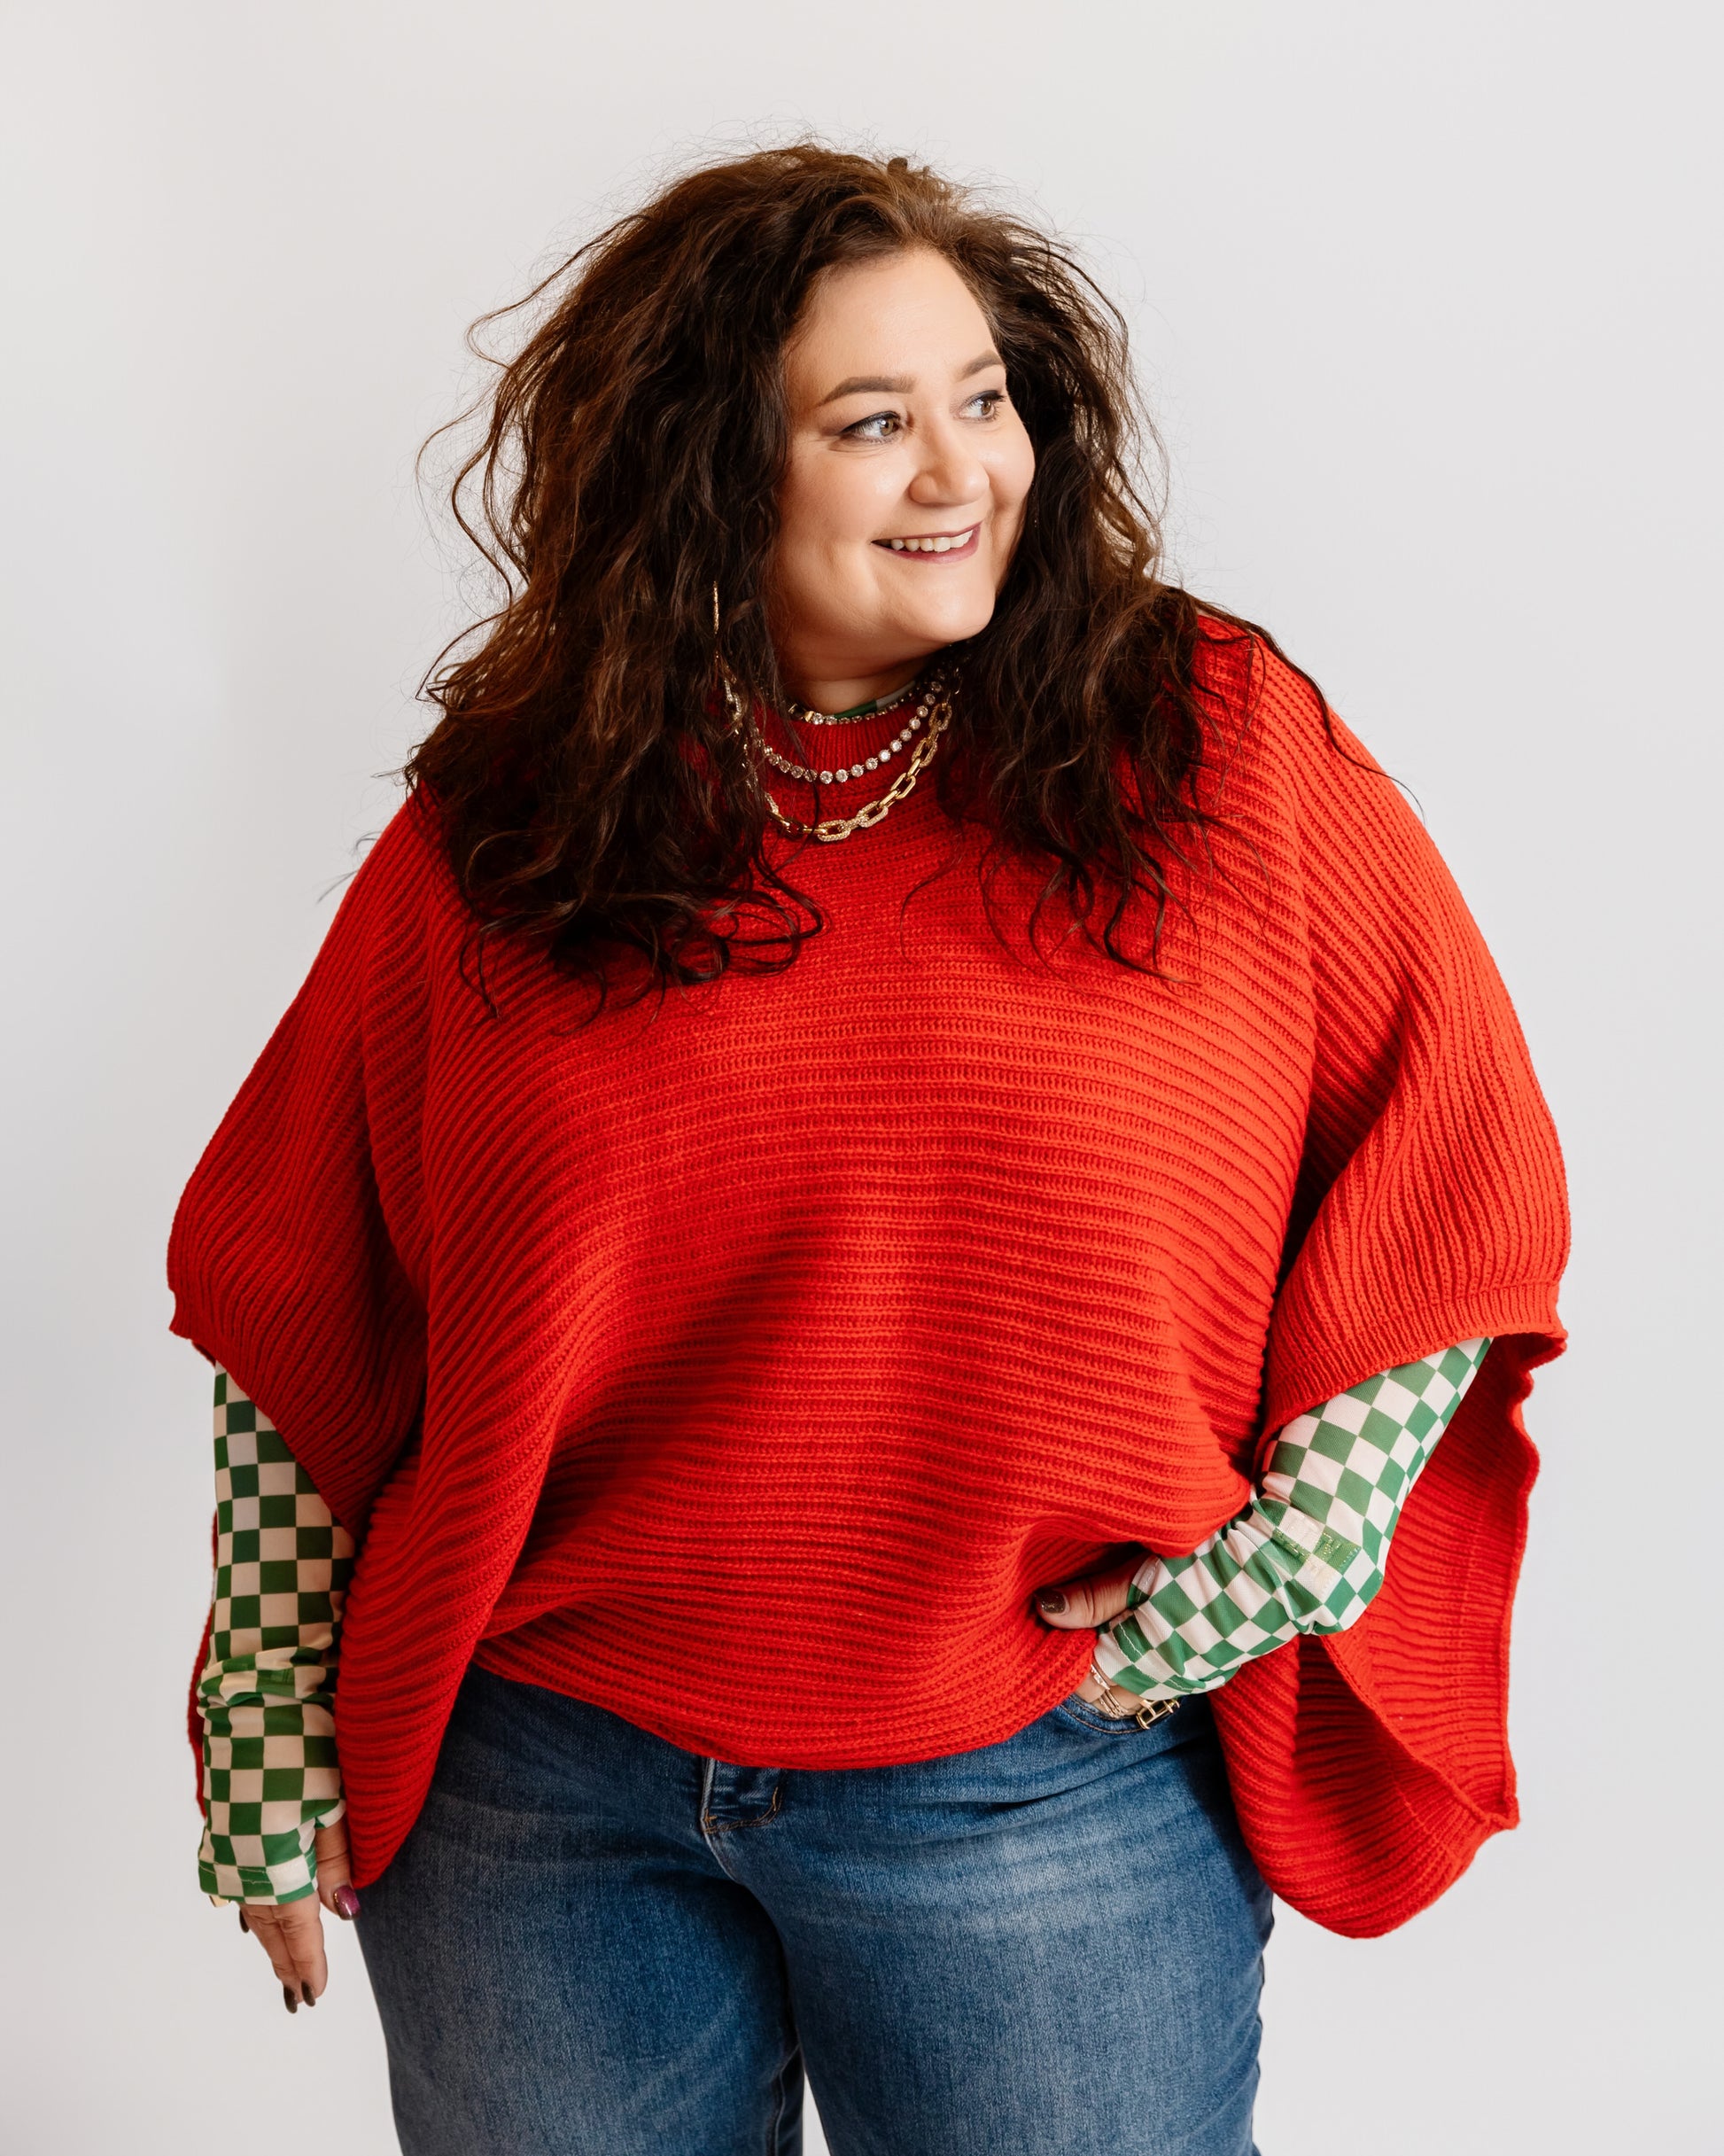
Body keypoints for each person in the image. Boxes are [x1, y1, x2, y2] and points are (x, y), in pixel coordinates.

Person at [167, 145, 1568, 2156]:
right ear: (706, 472)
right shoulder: (520, 812)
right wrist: (264, 1721)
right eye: (870, 421)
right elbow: (306, 1278)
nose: (961, 469)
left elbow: (1452, 1166)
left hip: (1031, 1776)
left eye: (980, 397)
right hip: (540, 1796)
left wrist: (1284, 1562)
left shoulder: (1209, 742)